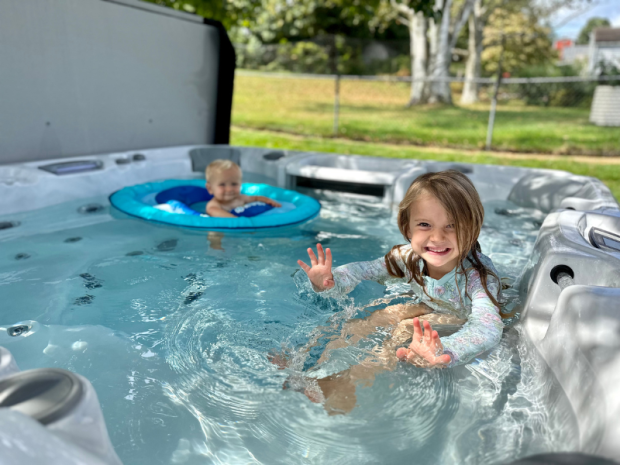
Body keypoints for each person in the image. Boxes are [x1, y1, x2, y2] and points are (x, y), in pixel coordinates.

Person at [293, 170, 509, 414]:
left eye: (452, 226)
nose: (437, 237)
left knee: (403, 328)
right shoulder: (407, 257)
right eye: (425, 225)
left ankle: (347, 383)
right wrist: (331, 281)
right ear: (408, 228)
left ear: (473, 228)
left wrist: (447, 349)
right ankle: (311, 367)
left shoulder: (477, 275)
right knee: (377, 317)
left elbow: (487, 326)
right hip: (430, 304)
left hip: (461, 316)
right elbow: (364, 270)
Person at [205, 159, 281, 218]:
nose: (229, 189)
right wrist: (236, 220)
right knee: (214, 236)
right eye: (222, 184)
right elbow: (213, 211)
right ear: (210, 188)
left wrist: (269, 201)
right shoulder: (214, 205)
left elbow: (256, 198)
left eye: (234, 184)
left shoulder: (241, 198)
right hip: (219, 229)